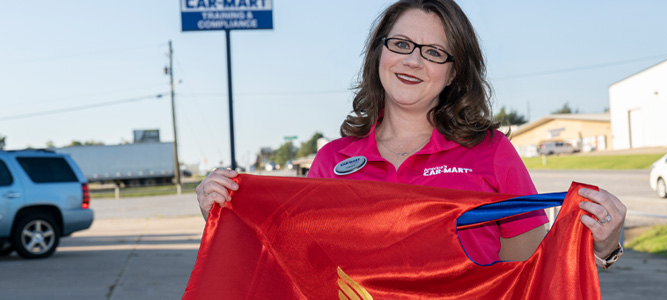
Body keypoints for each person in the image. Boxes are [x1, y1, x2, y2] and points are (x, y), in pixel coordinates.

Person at [196, 0, 626, 267]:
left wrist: (604, 248)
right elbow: (299, 267)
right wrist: (225, 217)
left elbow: (532, 270)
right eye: (400, 44)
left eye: (434, 52)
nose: (413, 61)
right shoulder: (331, 160)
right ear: (379, 51)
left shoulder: (491, 153)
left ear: (454, 72)